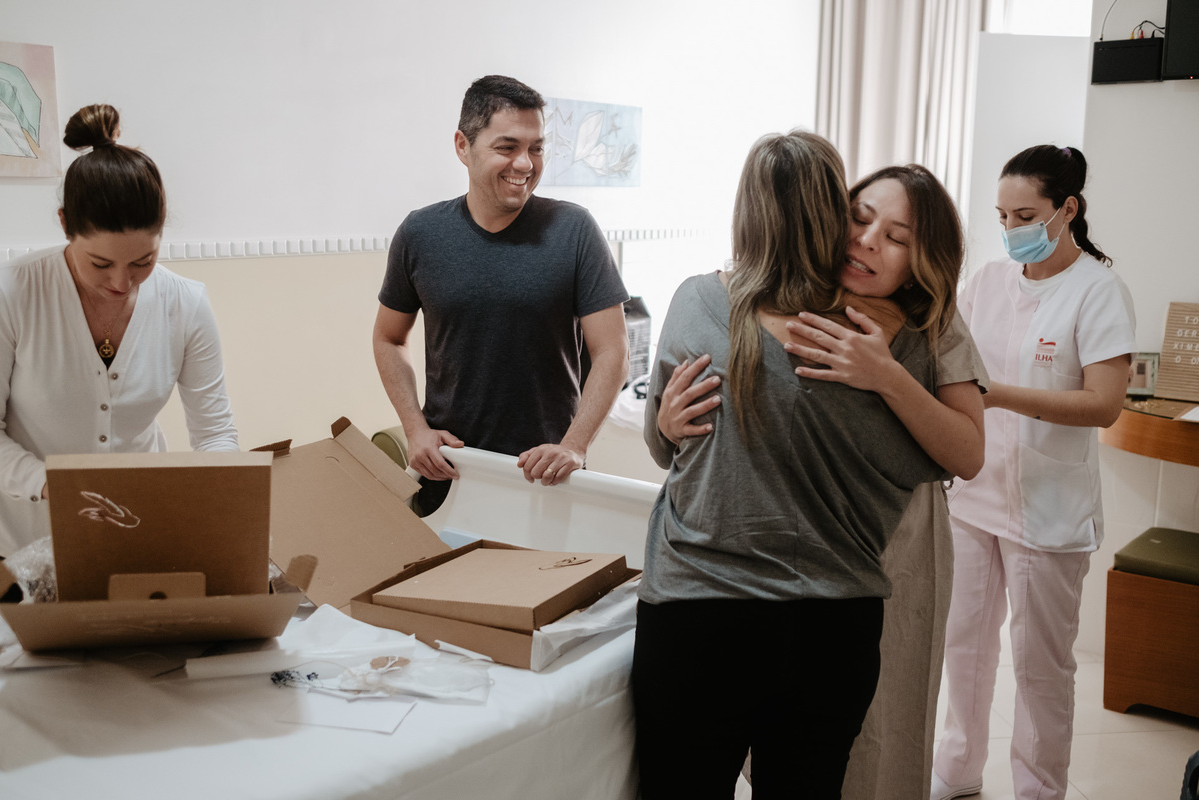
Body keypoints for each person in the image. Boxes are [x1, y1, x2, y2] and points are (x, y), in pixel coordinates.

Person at [633, 131, 954, 800]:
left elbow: (667, 447)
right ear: (835, 214)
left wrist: (666, 427)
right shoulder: (894, 336)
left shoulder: (698, 302)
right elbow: (931, 462)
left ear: (745, 213)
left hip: (699, 609)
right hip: (830, 625)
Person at [931, 145, 1135, 800]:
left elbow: (1103, 404)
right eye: (1002, 215)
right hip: (973, 494)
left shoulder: (1099, 291)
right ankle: (956, 771)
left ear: (1067, 209)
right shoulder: (988, 281)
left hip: (1048, 510)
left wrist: (1000, 394)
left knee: (1040, 669)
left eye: (1026, 214)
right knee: (961, 645)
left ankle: (1039, 791)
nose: (1011, 227)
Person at [372, 75, 629, 510]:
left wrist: (575, 445)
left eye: (537, 148)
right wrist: (415, 428)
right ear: (462, 146)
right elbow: (388, 337)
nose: (526, 164)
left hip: (547, 477)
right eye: (507, 147)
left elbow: (612, 351)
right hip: (451, 473)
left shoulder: (574, 230)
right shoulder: (420, 234)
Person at [0, 103, 238, 557]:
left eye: (142, 262)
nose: (121, 283)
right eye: (101, 264)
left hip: (135, 537)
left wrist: (221, 500)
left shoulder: (185, 304)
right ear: (65, 224)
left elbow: (214, 434)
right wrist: (52, 487)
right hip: (19, 544)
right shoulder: (12, 293)